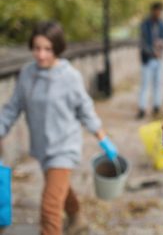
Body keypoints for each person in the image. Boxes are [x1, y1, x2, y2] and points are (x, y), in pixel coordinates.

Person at [0, 21, 119, 235]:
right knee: (60, 190)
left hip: (64, 148)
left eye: (48, 49)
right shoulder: (27, 74)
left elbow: (85, 109)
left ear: (57, 48)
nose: (41, 55)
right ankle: (77, 218)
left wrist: (103, 139)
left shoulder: (69, 76)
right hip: (42, 147)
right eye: (37, 48)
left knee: (49, 207)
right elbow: (12, 108)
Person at [137, 1, 163, 119]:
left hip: (159, 59)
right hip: (148, 59)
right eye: (157, 10)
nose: (159, 13)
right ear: (153, 11)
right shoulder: (145, 24)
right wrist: (151, 51)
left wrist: (161, 45)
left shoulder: (162, 25)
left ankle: (156, 106)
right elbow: (142, 43)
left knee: (158, 83)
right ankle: (142, 108)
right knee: (145, 84)